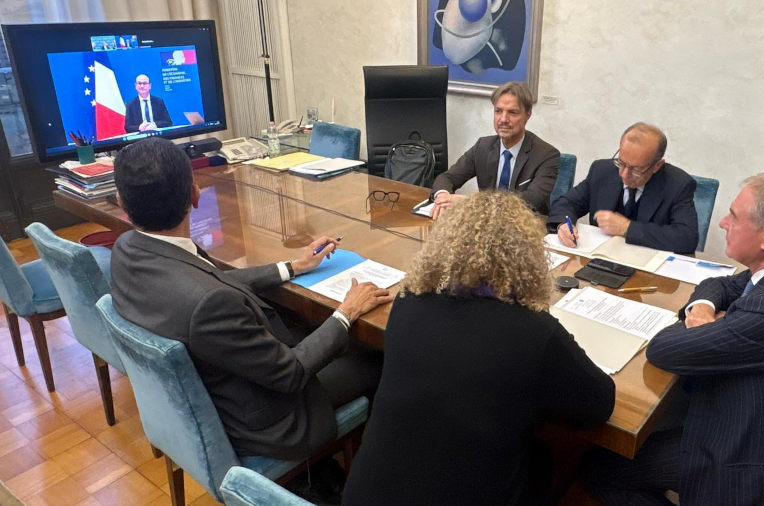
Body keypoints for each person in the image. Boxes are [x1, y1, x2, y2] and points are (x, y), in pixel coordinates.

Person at [579, 169, 764, 505]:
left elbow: (663, 349)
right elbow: (721, 283)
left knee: (599, 467)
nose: (723, 224)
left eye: (734, 216)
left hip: (744, 454)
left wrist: (711, 325)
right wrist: (704, 310)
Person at [109, 137, 392, 462]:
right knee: (382, 356)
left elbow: (208, 283)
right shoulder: (209, 305)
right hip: (271, 419)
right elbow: (291, 373)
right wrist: (347, 311)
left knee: (313, 327)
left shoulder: (126, 249)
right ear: (195, 195)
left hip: (224, 384)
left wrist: (293, 267)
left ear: (121, 202)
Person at [344, 191, 615, 506]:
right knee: (546, 457)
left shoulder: (408, 299)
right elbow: (598, 405)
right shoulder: (532, 329)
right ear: (527, 257)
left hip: (366, 495)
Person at [547, 123, 699, 253]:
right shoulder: (602, 170)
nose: (624, 174)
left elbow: (687, 237)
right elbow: (566, 203)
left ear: (657, 166)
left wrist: (627, 228)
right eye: (621, 163)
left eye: (636, 169)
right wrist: (563, 225)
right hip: (599, 259)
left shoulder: (678, 184)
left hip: (647, 267)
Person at [430, 81, 560, 217]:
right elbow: (447, 178)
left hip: (526, 223)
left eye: (512, 112)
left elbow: (531, 201)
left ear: (527, 115)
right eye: (498, 111)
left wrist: (469, 202)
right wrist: (443, 197)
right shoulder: (483, 146)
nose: (503, 119)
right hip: (485, 222)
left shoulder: (546, 155)